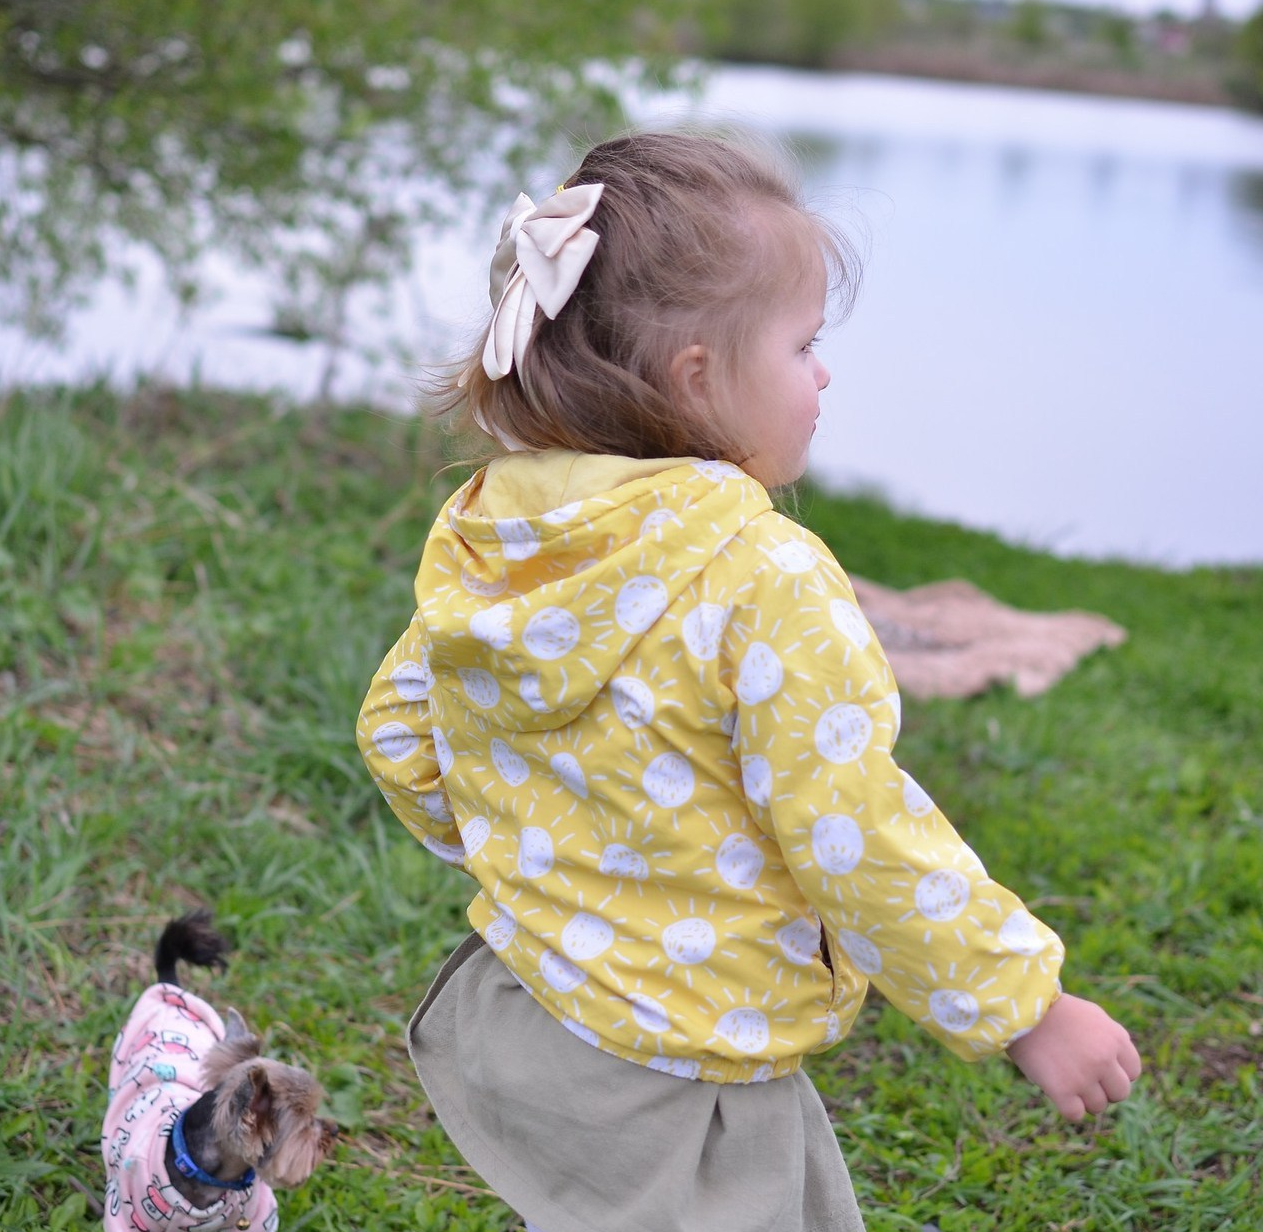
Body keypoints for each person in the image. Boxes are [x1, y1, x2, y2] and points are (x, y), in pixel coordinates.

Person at [356, 130, 1141, 1232]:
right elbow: (851, 828)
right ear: (697, 378)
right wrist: (1025, 1006)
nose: (823, 376)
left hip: (530, 1016)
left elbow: (399, 724)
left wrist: (529, 851)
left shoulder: (500, 521)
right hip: (687, 1060)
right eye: (803, 344)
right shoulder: (760, 572)